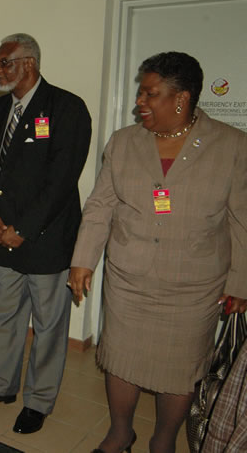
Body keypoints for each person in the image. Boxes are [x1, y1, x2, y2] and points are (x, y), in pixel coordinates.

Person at [69, 51, 247, 453]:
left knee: (180, 372)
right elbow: (101, 205)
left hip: (193, 287)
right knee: (120, 360)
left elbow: (242, 220)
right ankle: (119, 432)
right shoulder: (124, 142)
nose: (140, 103)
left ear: (181, 98)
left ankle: (163, 439)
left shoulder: (232, 146)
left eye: (150, 94)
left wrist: (241, 282)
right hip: (129, 280)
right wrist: (83, 259)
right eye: (140, 93)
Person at [0, 33, 92, 435]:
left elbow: (60, 180)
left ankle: (38, 402)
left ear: (30, 64)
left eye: (5, 63)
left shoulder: (67, 108)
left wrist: (24, 228)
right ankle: (1, 387)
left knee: (49, 325)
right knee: (4, 317)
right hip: (1, 236)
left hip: (45, 239)